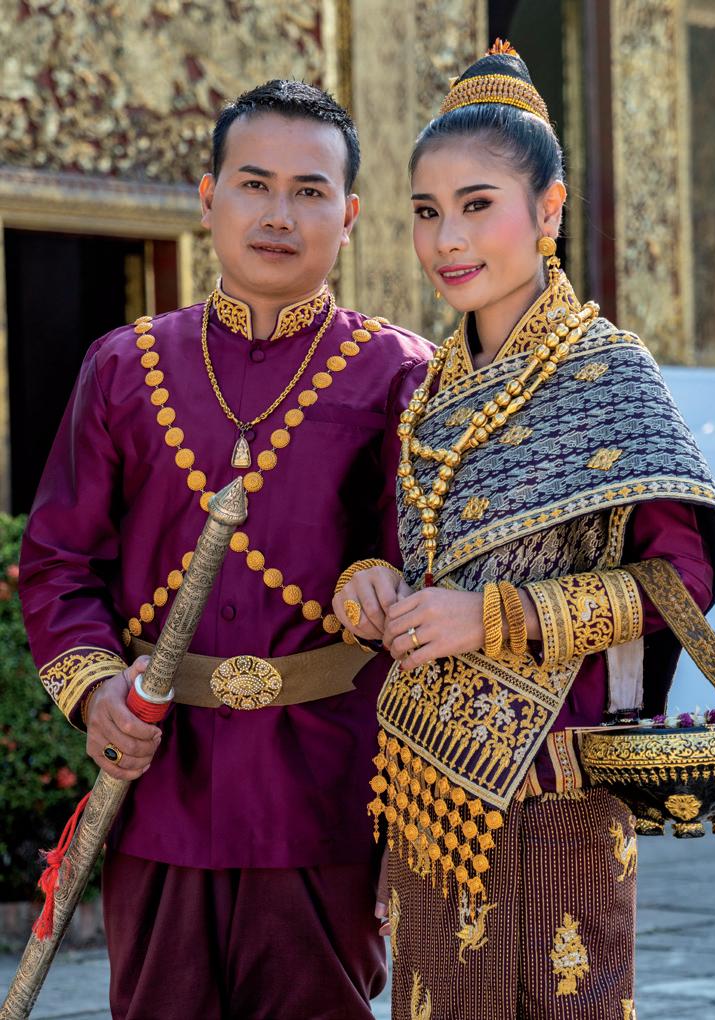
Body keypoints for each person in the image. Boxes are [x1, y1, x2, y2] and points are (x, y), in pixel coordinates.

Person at [333, 42, 715, 1019]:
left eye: (477, 205)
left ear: (548, 210)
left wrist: (494, 617)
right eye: (426, 211)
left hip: (557, 794)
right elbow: (398, 548)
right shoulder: (427, 395)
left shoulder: (607, 372)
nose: (446, 239)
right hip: (426, 795)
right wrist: (369, 586)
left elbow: (677, 581)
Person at [19, 80, 433, 1019]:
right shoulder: (122, 366)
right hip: (157, 785)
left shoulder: (400, 375)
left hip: (329, 792)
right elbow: (59, 562)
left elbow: (434, 586)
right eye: (253, 184)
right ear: (208, 199)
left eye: (309, 191)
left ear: (349, 216)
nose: (278, 215)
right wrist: (95, 691)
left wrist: (413, 813)